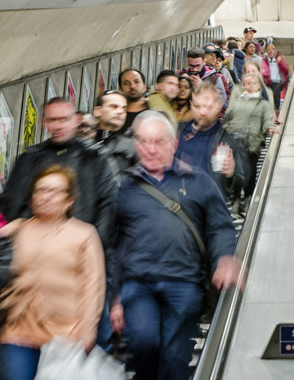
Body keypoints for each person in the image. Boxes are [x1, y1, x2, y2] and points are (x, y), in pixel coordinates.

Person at [109, 111, 242, 380]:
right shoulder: (124, 187)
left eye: (159, 141)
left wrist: (225, 257)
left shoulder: (198, 180)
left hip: (184, 282)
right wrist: (114, 299)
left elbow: (220, 226)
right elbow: (113, 245)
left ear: (174, 143)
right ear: (135, 144)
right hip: (138, 284)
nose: (151, 149)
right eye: (144, 141)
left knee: (175, 356)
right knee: (144, 344)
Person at [0, 165, 105, 380]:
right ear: (32, 197)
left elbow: (93, 286)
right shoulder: (19, 229)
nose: (46, 196)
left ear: (70, 200)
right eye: (41, 190)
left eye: (55, 191)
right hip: (20, 332)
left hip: (66, 335)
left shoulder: (84, 234)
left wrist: (88, 330)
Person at [0, 98, 116, 245]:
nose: (58, 126)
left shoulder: (95, 157)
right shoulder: (29, 158)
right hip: (36, 248)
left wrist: (92, 246)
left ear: (76, 120)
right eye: (52, 120)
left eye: (63, 119)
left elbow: (107, 207)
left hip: (82, 248)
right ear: (44, 123)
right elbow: (12, 206)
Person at [223, 73, 279, 217]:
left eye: (252, 83)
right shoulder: (236, 103)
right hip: (236, 143)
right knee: (237, 173)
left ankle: (247, 201)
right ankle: (236, 201)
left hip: (253, 144)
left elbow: (267, 120)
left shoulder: (263, 104)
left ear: (259, 86)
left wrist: (270, 128)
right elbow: (226, 119)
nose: (248, 86)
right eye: (246, 84)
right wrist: (229, 126)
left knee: (250, 174)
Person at [176, 83, 238, 198]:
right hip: (180, 204)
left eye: (208, 107)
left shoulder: (226, 140)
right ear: (191, 105)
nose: (202, 112)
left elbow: (239, 182)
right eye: (197, 106)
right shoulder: (178, 132)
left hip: (210, 205)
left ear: (218, 106)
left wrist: (231, 175)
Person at [92, 90, 138, 176]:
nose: (120, 112)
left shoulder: (134, 147)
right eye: (114, 107)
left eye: (124, 109)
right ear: (97, 111)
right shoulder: (81, 142)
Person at [261, 42, 289, 111]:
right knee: (267, 97)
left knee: (276, 95)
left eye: (273, 49)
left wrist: (280, 62)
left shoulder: (279, 59)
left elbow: (286, 70)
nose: (271, 51)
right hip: (267, 82)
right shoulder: (264, 59)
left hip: (276, 81)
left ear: (275, 50)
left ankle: (276, 110)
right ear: (266, 50)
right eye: (269, 49)